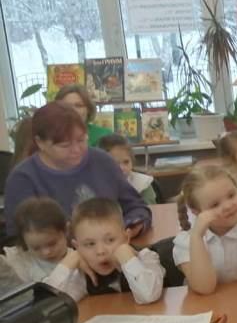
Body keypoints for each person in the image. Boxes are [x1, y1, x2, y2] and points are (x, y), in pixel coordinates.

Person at [4, 103, 152, 240]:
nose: (76, 150)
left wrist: (132, 225)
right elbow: (17, 238)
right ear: (40, 143)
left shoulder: (103, 161)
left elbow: (135, 206)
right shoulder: (23, 179)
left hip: (112, 250)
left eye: (81, 140)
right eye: (64, 145)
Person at [172, 164, 237, 294]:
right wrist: (197, 237)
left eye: (231, 195)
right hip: (210, 305)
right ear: (197, 212)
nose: (228, 206)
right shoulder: (186, 242)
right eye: (215, 204)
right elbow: (204, 287)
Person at [49, 198, 164, 303]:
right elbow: (47, 304)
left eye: (110, 240)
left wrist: (127, 258)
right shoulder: (83, 275)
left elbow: (149, 296)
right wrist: (68, 262)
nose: (100, 251)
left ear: (126, 238)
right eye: (90, 244)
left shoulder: (146, 257)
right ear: (77, 247)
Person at [3, 198, 75, 287]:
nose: (46, 252)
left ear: (66, 230)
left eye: (52, 244)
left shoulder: (80, 257)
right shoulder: (26, 265)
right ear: (25, 243)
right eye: (36, 248)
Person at [97, 134, 157, 204]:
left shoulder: (142, 183)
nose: (122, 168)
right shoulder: (94, 186)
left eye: (126, 162)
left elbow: (150, 209)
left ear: (132, 161)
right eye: (114, 163)